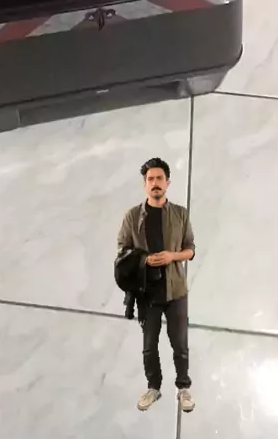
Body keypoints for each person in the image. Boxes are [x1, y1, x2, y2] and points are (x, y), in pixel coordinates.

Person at [117, 157, 196, 413]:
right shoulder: (132, 217)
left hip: (176, 292)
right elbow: (122, 250)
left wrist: (172, 256)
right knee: (149, 346)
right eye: (150, 179)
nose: (155, 183)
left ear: (168, 183)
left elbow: (190, 249)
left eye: (159, 178)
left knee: (180, 344)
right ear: (145, 185)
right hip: (146, 294)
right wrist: (144, 260)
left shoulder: (180, 214)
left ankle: (183, 387)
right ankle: (154, 387)